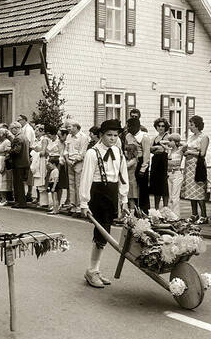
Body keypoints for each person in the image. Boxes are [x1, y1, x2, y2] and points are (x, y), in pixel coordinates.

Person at [80, 119, 129, 288]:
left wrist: (124, 200)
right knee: (101, 233)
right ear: (101, 135)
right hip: (98, 194)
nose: (113, 138)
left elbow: (123, 177)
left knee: (105, 232)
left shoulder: (119, 152)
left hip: (112, 193)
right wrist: (84, 203)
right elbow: (86, 178)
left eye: (115, 135)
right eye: (109, 135)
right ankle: (92, 271)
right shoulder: (92, 153)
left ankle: (94, 269)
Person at [181, 115, 209, 223]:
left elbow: (202, 153)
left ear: (197, 125)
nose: (189, 126)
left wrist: (190, 152)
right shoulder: (191, 137)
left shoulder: (204, 137)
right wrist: (184, 151)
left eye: (191, 124)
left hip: (198, 166)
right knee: (191, 191)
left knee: (199, 190)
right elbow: (186, 150)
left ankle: (204, 215)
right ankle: (194, 214)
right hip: (189, 166)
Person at [125, 117, 152, 212]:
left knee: (142, 188)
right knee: (133, 187)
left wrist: (143, 168)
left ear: (136, 126)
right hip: (131, 162)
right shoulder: (128, 136)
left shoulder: (144, 137)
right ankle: (133, 209)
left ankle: (144, 210)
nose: (128, 129)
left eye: (130, 127)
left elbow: (146, 154)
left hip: (141, 162)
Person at [64, 121, 89, 216]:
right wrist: (67, 160)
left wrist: (74, 161)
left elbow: (82, 152)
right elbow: (66, 149)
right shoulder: (69, 136)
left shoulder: (83, 137)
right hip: (70, 161)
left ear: (76, 127)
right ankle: (73, 205)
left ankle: (79, 207)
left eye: (69, 127)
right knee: (71, 184)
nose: (68, 129)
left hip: (78, 162)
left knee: (79, 184)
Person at [150, 118, 170, 209]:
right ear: (156, 127)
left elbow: (164, 150)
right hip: (155, 163)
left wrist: (156, 148)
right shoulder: (154, 137)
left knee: (164, 186)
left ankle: (165, 208)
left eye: (163, 126)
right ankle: (156, 208)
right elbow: (150, 149)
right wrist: (156, 148)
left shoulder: (167, 136)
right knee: (156, 186)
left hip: (164, 163)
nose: (161, 128)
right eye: (159, 126)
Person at [9, 122, 30, 208]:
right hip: (24, 162)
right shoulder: (24, 137)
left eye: (12, 129)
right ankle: (21, 201)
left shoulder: (18, 138)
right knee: (20, 183)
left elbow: (16, 151)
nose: (11, 131)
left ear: (16, 128)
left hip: (19, 163)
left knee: (18, 184)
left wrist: (8, 151)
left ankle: (20, 202)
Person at [166, 133, 184, 217]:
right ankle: (170, 215)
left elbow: (186, 145)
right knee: (170, 196)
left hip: (177, 173)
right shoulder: (169, 150)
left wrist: (178, 142)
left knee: (175, 196)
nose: (169, 142)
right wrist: (169, 142)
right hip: (169, 174)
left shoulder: (180, 150)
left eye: (170, 141)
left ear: (175, 142)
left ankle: (176, 215)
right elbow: (162, 143)